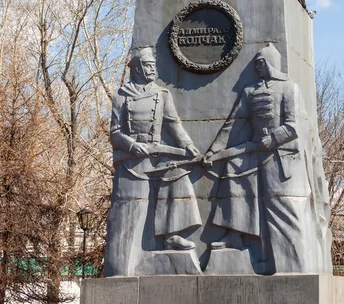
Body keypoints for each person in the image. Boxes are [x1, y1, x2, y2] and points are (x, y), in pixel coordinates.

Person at [203, 43, 314, 274]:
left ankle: (292, 266)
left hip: (279, 157)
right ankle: (236, 236)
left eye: (260, 62)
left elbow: (294, 126)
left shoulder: (289, 88)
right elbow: (233, 123)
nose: (257, 67)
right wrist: (214, 150)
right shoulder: (250, 91)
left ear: (270, 62)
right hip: (253, 153)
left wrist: (272, 139)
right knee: (233, 173)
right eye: (255, 63)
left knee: (281, 208)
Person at [104, 47, 202, 276]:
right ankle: (124, 263)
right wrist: (131, 145)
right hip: (132, 159)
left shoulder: (161, 94)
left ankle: (171, 235)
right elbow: (115, 133)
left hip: (158, 155)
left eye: (154, 66)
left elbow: (174, 125)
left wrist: (188, 146)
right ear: (137, 68)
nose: (153, 70)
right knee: (131, 208)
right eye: (148, 66)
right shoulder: (122, 95)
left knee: (178, 178)